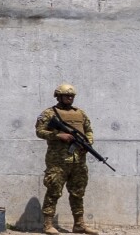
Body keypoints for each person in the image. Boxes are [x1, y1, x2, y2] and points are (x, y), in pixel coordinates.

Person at [35, 84, 99, 235]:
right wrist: (58, 135)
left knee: (78, 192)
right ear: (58, 96)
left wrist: (88, 143)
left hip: (78, 160)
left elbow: (88, 130)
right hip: (58, 161)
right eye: (66, 95)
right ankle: (48, 225)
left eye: (72, 96)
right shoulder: (49, 113)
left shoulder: (80, 113)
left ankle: (79, 225)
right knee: (53, 191)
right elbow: (39, 131)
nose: (70, 98)